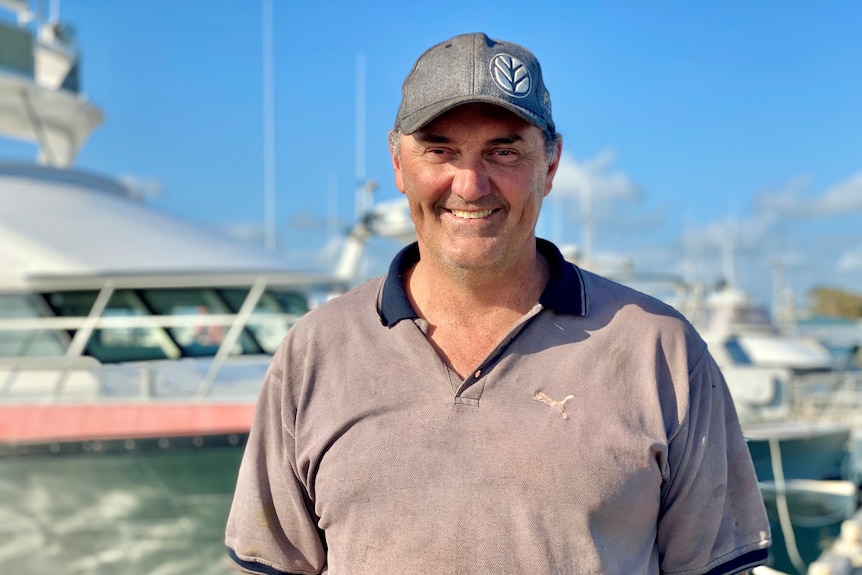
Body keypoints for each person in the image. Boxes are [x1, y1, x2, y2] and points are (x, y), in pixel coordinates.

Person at [225, 32, 771, 574]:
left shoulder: (660, 348)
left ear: (550, 166)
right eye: (439, 151)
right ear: (397, 163)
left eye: (503, 151)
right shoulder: (313, 352)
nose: (470, 184)